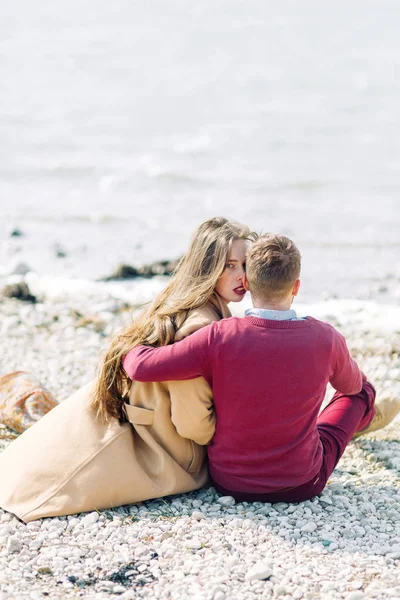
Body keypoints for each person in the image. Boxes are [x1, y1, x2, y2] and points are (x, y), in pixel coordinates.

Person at [0, 217, 256, 522]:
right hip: (161, 447)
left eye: (245, 264)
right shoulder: (201, 326)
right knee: (48, 483)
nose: (243, 276)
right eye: (230, 265)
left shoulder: (186, 304)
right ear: (207, 267)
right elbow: (193, 426)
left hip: (139, 416)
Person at [123, 234, 400, 503]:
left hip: (230, 483)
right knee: (363, 392)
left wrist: (134, 336)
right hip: (301, 483)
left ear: (247, 283)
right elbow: (352, 388)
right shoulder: (326, 338)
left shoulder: (218, 336)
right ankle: (363, 422)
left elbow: (139, 366)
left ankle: (352, 425)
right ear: (296, 287)